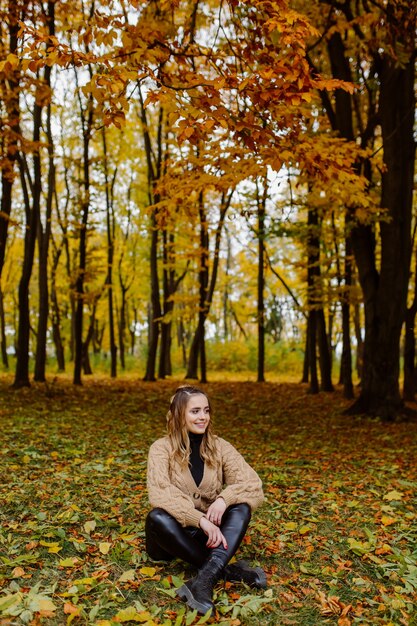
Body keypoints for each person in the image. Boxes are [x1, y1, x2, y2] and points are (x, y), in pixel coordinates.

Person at [145, 385, 266, 615]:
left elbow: (253, 484)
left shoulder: (219, 447)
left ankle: (204, 580)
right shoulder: (160, 449)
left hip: (207, 537)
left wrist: (223, 499)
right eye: (195, 411)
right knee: (156, 517)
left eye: (206, 411)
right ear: (180, 415)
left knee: (241, 506)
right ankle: (225, 571)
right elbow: (159, 494)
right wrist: (200, 519)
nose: (203, 417)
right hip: (170, 537)